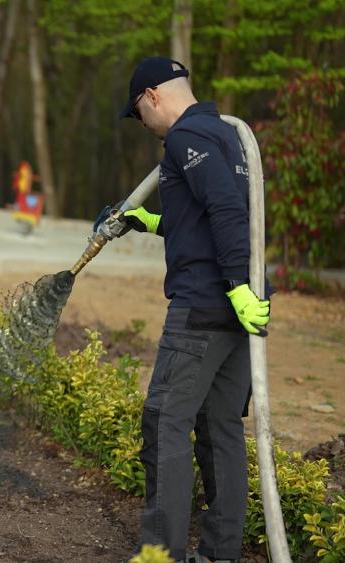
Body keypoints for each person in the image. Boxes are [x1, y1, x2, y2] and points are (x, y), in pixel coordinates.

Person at [115, 57, 271, 563]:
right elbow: (206, 219)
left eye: (138, 113)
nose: (142, 124)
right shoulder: (227, 136)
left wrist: (231, 284)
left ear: (153, 95)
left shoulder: (186, 138)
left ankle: (160, 555)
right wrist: (149, 220)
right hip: (241, 308)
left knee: (164, 420)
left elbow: (227, 209)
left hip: (206, 303)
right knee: (219, 425)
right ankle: (220, 554)